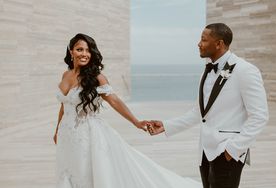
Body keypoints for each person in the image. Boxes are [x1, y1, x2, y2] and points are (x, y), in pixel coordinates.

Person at [53, 33, 201, 188]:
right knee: (67, 170)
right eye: (79, 49)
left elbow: (115, 101)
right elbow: (64, 106)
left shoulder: (97, 77)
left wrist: (136, 122)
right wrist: (57, 130)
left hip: (86, 135)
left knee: (83, 173)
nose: (84, 54)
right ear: (71, 51)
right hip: (66, 134)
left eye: (88, 50)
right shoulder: (66, 75)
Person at [147, 23, 269, 188]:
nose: (199, 44)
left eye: (203, 40)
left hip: (228, 152)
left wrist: (233, 149)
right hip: (205, 152)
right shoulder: (207, 71)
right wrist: (166, 126)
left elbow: (259, 116)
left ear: (219, 44)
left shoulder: (245, 70)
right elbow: (200, 112)